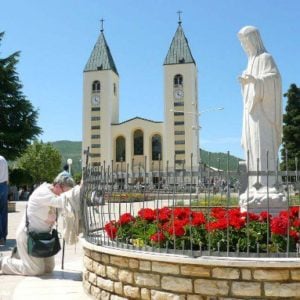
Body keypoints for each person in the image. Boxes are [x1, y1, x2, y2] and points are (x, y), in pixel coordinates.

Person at [0, 172, 79, 275]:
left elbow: (67, 207)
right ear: (58, 186)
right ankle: (3, 262)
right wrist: (79, 191)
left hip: (44, 238)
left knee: (48, 268)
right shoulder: (43, 192)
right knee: (35, 270)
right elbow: (61, 202)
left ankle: (20, 255)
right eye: (66, 192)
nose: (66, 195)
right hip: (29, 236)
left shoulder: (56, 195)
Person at [238, 26, 282, 189]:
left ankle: (268, 185)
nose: (244, 45)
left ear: (254, 40)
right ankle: (254, 184)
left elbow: (274, 80)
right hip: (250, 114)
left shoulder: (266, 58)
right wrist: (245, 84)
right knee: (252, 148)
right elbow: (249, 90)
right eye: (242, 42)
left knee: (263, 147)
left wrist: (255, 81)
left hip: (263, 114)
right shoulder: (249, 63)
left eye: (246, 41)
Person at [0, 155, 8, 245]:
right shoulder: (3, 159)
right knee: (3, 212)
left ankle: (0, 236)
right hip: (4, 186)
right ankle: (4, 236)